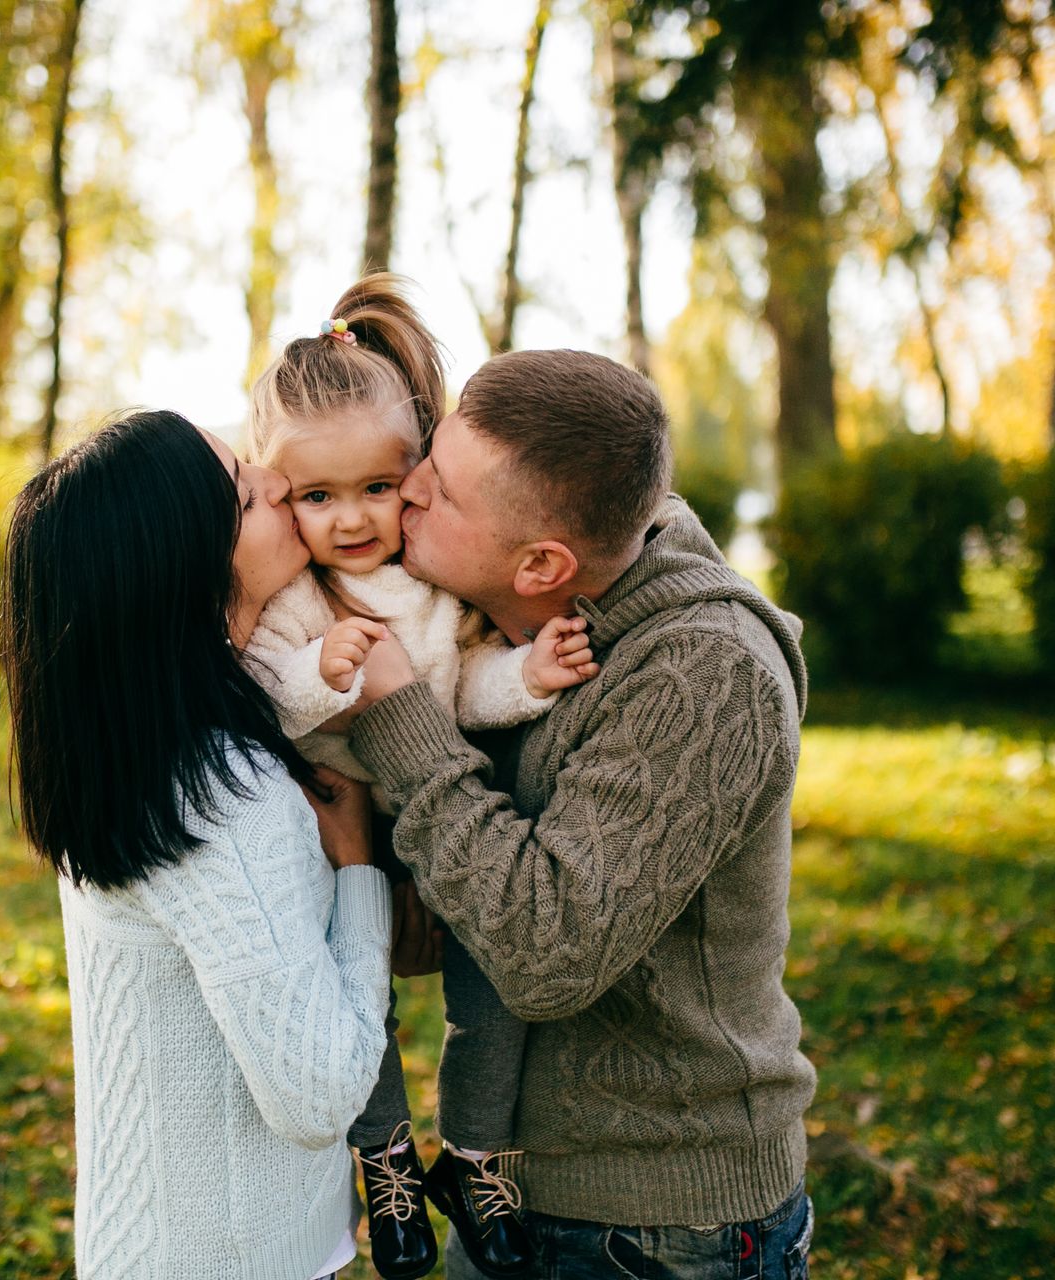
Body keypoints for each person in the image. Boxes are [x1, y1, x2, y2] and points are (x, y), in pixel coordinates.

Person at [344, 349, 819, 1278]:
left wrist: (399, 720)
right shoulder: (503, 620)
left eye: (438, 491)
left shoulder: (707, 676)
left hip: (661, 1230)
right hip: (522, 1196)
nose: (407, 494)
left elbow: (546, 949)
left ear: (541, 565)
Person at [238, 274, 595, 1280]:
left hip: (448, 818)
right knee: (360, 1007)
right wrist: (325, 674)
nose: (351, 518)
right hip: (347, 833)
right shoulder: (298, 598)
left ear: (416, 474)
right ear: (280, 492)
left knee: (497, 995)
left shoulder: (435, 580)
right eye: (317, 496)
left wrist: (526, 675)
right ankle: (386, 1158)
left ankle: (480, 1157)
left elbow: (461, 684)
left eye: (376, 488)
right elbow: (267, 689)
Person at [0, 408, 394, 1280]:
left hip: (145, 1244)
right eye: (252, 496)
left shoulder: (124, 747)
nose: (280, 487)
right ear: (188, 572)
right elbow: (320, 1093)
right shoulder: (221, 796)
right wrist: (360, 867)